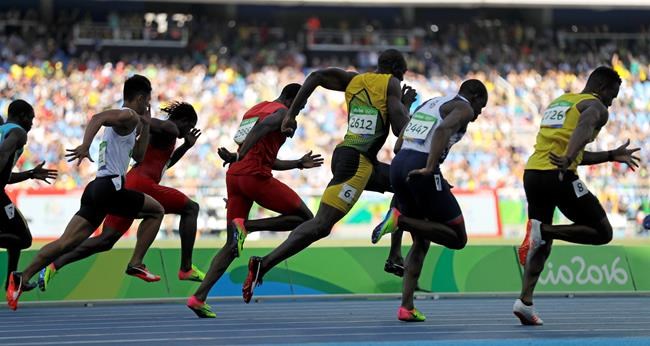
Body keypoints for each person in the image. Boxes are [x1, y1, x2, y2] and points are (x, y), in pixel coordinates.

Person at [241, 49, 416, 303]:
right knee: (321, 225)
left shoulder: (354, 80)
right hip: (357, 164)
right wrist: (405, 105)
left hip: (351, 157)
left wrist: (292, 114)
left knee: (405, 183)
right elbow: (401, 130)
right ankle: (264, 263)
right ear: (399, 72)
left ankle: (394, 256)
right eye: (402, 76)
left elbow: (315, 77)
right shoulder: (392, 85)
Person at [6, 75, 165, 310]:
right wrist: (84, 145)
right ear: (140, 98)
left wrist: (148, 125)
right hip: (111, 187)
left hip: (96, 189)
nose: (147, 106)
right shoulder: (128, 115)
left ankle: (21, 277)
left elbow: (139, 158)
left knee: (65, 243)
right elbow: (98, 117)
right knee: (157, 211)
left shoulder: (134, 123)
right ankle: (137, 262)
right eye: (147, 101)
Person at [514, 66, 640, 325]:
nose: (611, 104)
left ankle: (525, 302)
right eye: (612, 97)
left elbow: (566, 150)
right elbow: (586, 125)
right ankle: (545, 230)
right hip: (558, 176)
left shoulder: (560, 101)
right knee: (602, 232)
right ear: (602, 89)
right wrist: (569, 157)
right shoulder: (596, 106)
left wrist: (608, 155)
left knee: (540, 244)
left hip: (534, 173)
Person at [186, 83, 323, 318]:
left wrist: (297, 163)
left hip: (235, 177)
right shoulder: (281, 113)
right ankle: (247, 227)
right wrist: (239, 154)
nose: (299, 112)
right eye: (300, 106)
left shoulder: (254, 109)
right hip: (254, 176)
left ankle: (198, 297)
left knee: (231, 246)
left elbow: (264, 153)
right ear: (292, 99)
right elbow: (262, 130)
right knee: (306, 219)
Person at [38, 101, 204, 291]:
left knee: (105, 240)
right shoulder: (171, 128)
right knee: (191, 208)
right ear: (183, 120)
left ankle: (54, 264)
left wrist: (186, 147)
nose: (188, 131)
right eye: (190, 126)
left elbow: (164, 164)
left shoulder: (169, 135)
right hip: (143, 184)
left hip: (132, 182)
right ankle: (185, 268)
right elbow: (158, 125)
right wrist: (145, 120)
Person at [371, 80, 488, 322]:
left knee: (422, 240)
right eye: (481, 108)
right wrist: (431, 168)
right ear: (474, 97)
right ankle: (399, 219)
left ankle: (406, 307)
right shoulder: (463, 108)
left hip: (400, 165)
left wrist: (434, 174)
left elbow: (399, 145)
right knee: (457, 237)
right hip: (420, 167)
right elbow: (444, 130)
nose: (477, 116)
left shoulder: (429, 103)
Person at [0, 100, 57, 291]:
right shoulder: (18, 132)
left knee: (15, 232)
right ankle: (13, 280)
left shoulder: (3, 129)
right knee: (24, 238)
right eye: (31, 118)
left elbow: (5, 176)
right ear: (22, 116)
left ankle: (12, 280)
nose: (32, 124)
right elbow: (1, 155)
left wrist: (30, 174)